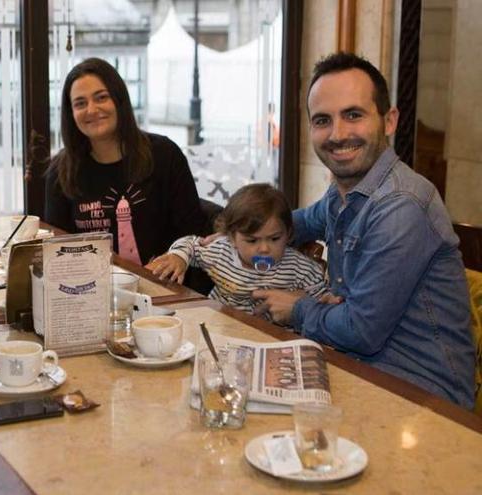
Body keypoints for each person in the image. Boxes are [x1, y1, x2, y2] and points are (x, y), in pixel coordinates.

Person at [252, 53, 475, 408]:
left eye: (353, 115)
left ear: (389, 121)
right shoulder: (343, 193)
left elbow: (361, 331)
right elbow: (298, 224)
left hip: (421, 397)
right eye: (323, 120)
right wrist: (240, 233)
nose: (338, 135)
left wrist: (298, 308)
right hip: (354, 369)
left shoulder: (401, 204)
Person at [44, 57, 212, 292]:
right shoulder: (61, 171)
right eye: (80, 103)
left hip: (165, 289)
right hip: (92, 294)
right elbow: (57, 251)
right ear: (71, 114)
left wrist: (178, 257)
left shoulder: (164, 155)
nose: (92, 110)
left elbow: (196, 232)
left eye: (101, 97)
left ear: (119, 100)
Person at [146, 183, 330, 321]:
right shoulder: (221, 252)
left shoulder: (300, 268)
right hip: (219, 325)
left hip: (271, 339)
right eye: (252, 240)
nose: (264, 248)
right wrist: (179, 257)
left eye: (274, 239)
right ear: (232, 238)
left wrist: (315, 301)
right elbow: (192, 245)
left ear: (289, 234)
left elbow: (322, 299)